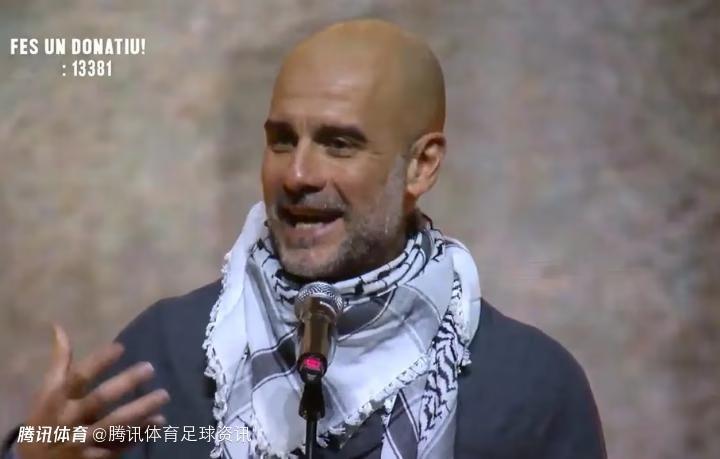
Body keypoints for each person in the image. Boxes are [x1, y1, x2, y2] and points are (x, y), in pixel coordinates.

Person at [4, 19, 606, 459]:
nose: (297, 175)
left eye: (339, 144)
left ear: (420, 167)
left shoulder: (528, 386)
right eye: (282, 140)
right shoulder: (165, 353)